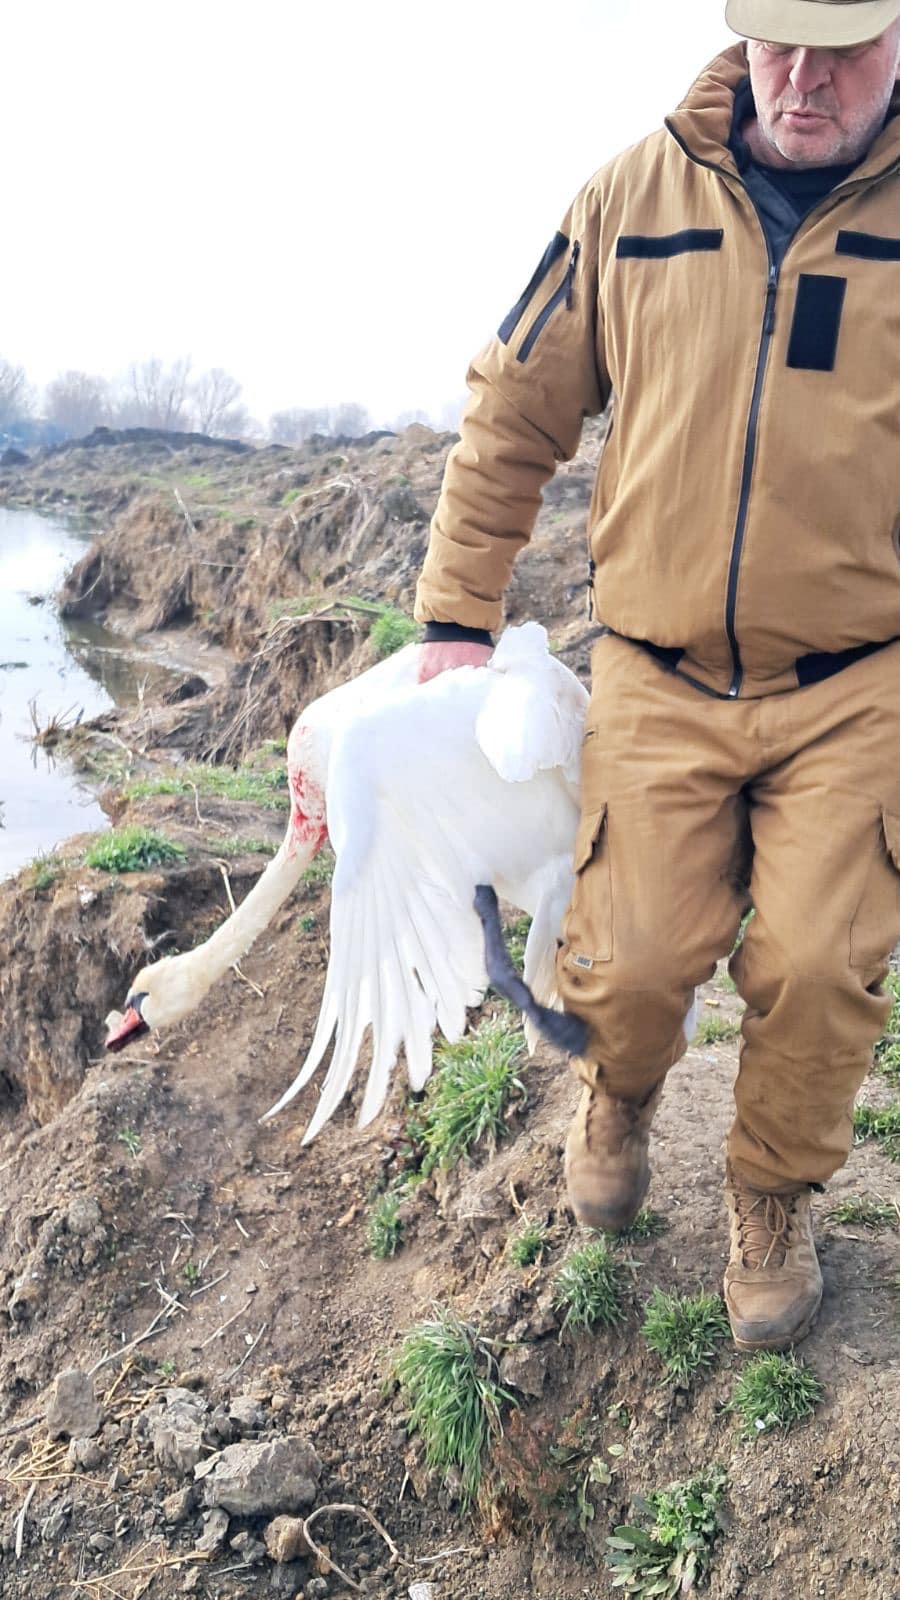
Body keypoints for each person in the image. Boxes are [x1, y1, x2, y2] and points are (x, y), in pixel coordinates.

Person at [413, 0, 900, 1353]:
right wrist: (458, 613)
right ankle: (618, 1096)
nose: (800, 81)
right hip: (657, 666)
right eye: (776, 45)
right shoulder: (628, 198)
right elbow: (515, 404)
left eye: (841, 51)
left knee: (817, 962)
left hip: (861, 679)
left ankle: (770, 1198)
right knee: (624, 962)